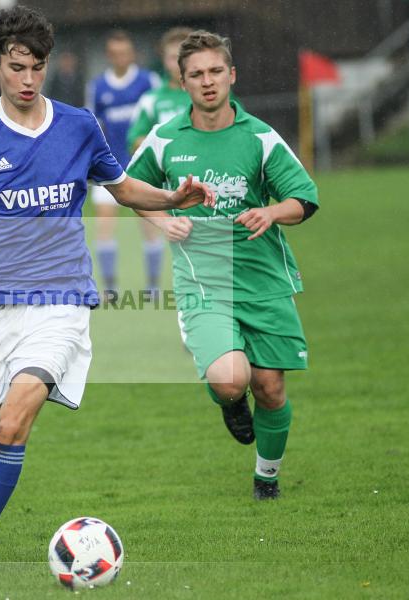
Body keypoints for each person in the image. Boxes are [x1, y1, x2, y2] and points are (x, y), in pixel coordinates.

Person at [0, 6, 213, 586]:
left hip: (61, 303)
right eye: (17, 68)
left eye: (37, 67)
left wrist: (170, 200)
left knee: (16, 421)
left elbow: (121, 185)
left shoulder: (79, 125)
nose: (28, 79)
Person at [127, 31, 319, 501]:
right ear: (183, 82)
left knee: (271, 388)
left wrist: (272, 211)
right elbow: (129, 188)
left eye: (216, 72)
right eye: (197, 75)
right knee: (232, 380)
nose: (208, 82)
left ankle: (266, 478)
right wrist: (160, 218)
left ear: (231, 76)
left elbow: (305, 198)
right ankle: (229, 402)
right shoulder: (166, 138)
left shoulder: (258, 137)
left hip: (263, 277)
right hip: (203, 279)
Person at [86, 30, 163, 298]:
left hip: (141, 170)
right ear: (109, 56)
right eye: (115, 53)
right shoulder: (98, 87)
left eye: (125, 52)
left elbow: (158, 124)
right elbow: (93, 126)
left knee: (149, 227)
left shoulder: (147, 82)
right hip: (109, 169)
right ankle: (110, 288)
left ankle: (153, 286)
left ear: (132, 54)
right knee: (105, 227)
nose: (120, 57)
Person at [126, 27, 192, 154]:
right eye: (173, 57)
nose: (179, 63)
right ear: (164, 61)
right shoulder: (150, 99)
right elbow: (134, 143)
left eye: (185, 56)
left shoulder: (212, 93)